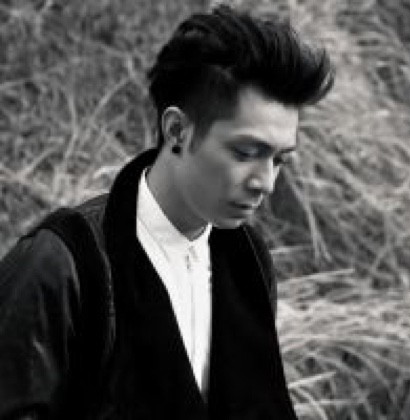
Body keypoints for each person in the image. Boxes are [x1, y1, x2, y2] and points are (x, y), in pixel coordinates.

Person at [0, 4, 334, 419]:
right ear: (177, 130)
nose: (265, 182)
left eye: (279, 159)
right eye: (246, 153)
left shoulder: (248, 259)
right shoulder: (62, 264)